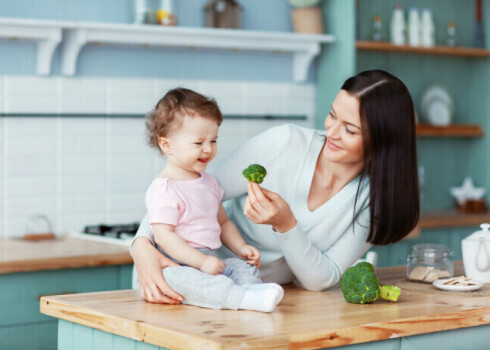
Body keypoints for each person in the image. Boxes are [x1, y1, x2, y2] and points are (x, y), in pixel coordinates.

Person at [131, 70, 419, 304]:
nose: (331, 132)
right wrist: (141, 246)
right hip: (179, 276)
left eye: (350, 130)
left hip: (251, 296)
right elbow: (188, 187)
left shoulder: (377, 199)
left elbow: (321, 279)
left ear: (384, 140)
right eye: (332, 115)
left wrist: (286, 225)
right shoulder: (286, 143)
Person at [140, 87, 284, 312]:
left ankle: (251, 293)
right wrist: (200, 262)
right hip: (176, 264)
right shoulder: (163, 189)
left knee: (240, 267)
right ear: (166, 145)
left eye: (213, 140)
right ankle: (242, 299)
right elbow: (164, 237)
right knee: (181, 280)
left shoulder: (208, 182)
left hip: (210, 261)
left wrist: (241, 248)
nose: (208, 149)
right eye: (198, 143)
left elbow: (223, 222)